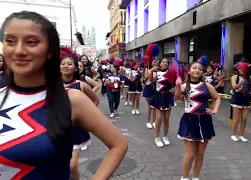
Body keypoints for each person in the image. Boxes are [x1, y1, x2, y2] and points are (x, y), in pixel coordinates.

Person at [0, 11, 128, 179]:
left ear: (50, 51)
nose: (19, 50)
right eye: (10, 41)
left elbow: (118, 144)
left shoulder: (72, 99)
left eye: (31, 42)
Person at [176, 62, 221, 180]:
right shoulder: (184, 85)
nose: (197, 70)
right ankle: (185, 177)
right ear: (189, 71)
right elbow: (177, 98)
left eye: (200, 69)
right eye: (194, 68)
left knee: (200, 154)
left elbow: (217, 98)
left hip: (205, 120)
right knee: (190, 154)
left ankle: (196, 177)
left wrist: (215, 109)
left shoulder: (207, 85)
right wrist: (177, 86)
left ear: (202, 72)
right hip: (190, 120)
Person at [150, 58, 174, 147]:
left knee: (166, 119)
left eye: (167, 62)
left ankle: (165, 136)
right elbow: (150, 81)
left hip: (168, 97)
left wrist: (174, 88)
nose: (165, 63)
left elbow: (176, 84)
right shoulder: (157, 73)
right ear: (160, 64)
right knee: (159, 118)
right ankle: (157, 137)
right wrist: (151, 71)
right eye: (163, 62)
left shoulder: (171, 73)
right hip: (159, 96)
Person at [230, 62, 251, 142]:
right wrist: (240, 83)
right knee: (236, 118)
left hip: (246, 99)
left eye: (244, 70)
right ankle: (233, 134)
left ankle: (241, 135)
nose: (243, 71)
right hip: (237, 98)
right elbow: (234, 87)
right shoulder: (234, 77)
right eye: (241, 69)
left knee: (244, 118)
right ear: (238, 69)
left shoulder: (250, 77)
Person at [143, 60, 157, 129]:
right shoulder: (147, 69)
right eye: (154, 62)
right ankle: (148, 121)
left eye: (156, 62)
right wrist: (151, 71)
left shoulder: (159, 71)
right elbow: (145, 79)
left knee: (155, 106)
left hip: (156, 89)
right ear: (151, 63)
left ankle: (154, 121)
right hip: (149, 88)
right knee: (150, 106)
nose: (155, 63)